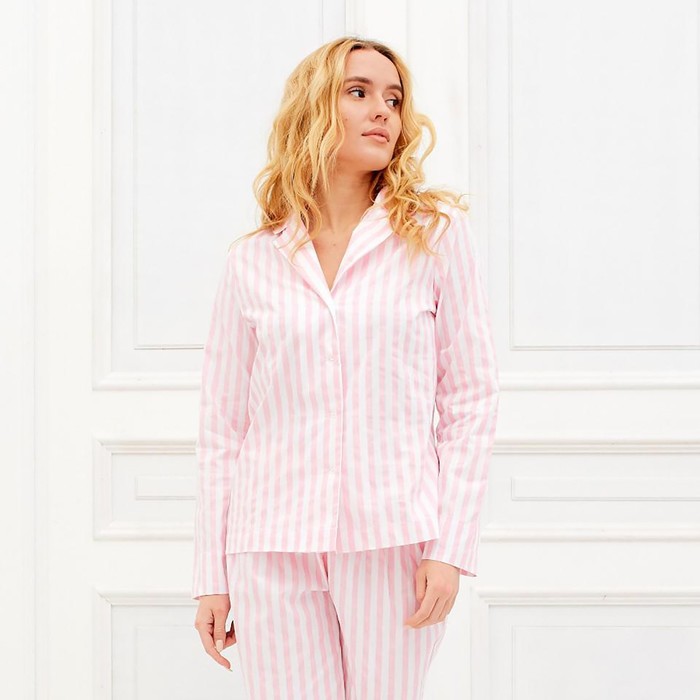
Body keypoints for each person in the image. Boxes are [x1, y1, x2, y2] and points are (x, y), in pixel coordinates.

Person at [192, 35, 500, 699]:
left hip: (394, 539)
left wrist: (451, 548)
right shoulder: (253, 260)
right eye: (358, 92)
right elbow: (222, 428)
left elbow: (471, 400)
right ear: (313, 108)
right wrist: (210, 575)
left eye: (394, 98)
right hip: (270, 542)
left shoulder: (435, 237)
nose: (383, 110)